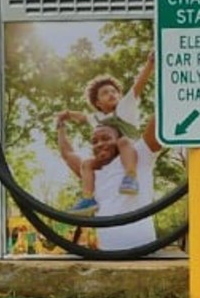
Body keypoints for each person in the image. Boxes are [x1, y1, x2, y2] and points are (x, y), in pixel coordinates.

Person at [55, 110, 161, 252]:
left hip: (144, 252)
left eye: (106, 138)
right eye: (94, 141)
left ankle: (130, 179)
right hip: (108, 254)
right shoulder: (91, 174)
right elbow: (67, 154)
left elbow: (159, 121)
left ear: (118, 141)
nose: (99, 144)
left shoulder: (138, 156)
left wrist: (169, 97)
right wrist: (60, 125)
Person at [80, 53, 155, 201]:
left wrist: (150, 64)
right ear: (98, 103)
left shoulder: (124, 108)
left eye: (114, 92)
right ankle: (88, 198)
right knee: (87, 164)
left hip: (130, 149)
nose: (111, 94)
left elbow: (138, 85)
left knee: (122, 141)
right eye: (105, 93)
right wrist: (67, 115)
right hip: (111, 154)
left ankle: (130, 178)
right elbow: (82, 117)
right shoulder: (98, 118)